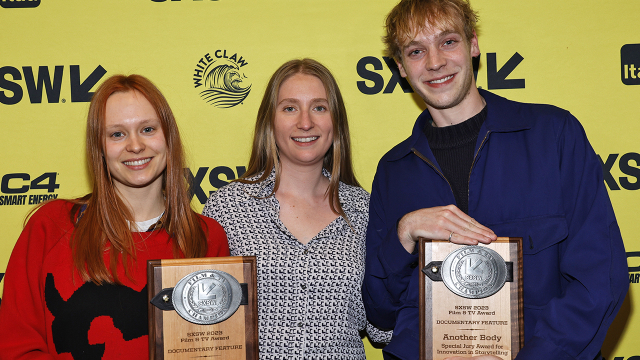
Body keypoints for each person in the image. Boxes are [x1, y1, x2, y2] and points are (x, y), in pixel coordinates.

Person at [362, 0, 629, 359]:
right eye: (415, 50)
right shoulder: (393, 171)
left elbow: (599, 280)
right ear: (400, 67)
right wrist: (404, 233)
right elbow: (380, 311)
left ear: (473, 44)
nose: (434, 62)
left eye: (448, 42)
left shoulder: (553, 135)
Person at [0, 74, 230, 359]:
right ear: (99, 147)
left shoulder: (205, 236)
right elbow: (15, 348)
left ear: (168, 137)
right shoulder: (51, 225)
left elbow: (218, 349)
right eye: (117, 134)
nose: (135, 145)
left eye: (147, 129)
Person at [202, 58, 391, 359]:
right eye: (290, 108)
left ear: (335, 121)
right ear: (270, 121)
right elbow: (200, 321)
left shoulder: (366, 210)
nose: (305, 122)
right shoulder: (228, 207)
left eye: (319, 107)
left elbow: (383, 330)